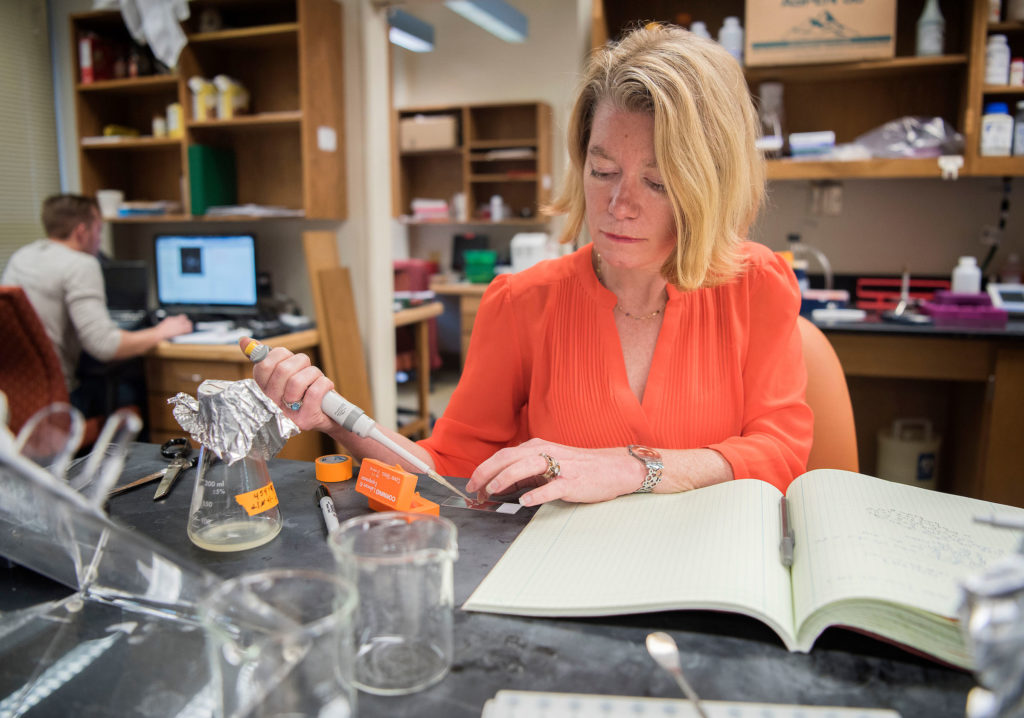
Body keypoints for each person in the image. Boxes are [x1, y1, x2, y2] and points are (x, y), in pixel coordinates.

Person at [247, 24, 813, 506]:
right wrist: (333, 418)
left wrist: (633, 468)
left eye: (658, 182)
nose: (618, 207)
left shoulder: (755, 284)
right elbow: (447, 474)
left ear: (708, 188)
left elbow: (782, 453)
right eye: (602, 170)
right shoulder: (522, 303)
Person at [1, 194, 193, 414]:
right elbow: (105, 346)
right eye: (98, 230)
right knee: (131, 389)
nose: (99, 240)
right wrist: (161, 331)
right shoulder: (81, 264)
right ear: (82, 232)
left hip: (12, 401)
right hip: (59, 403)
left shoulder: (22, 257)